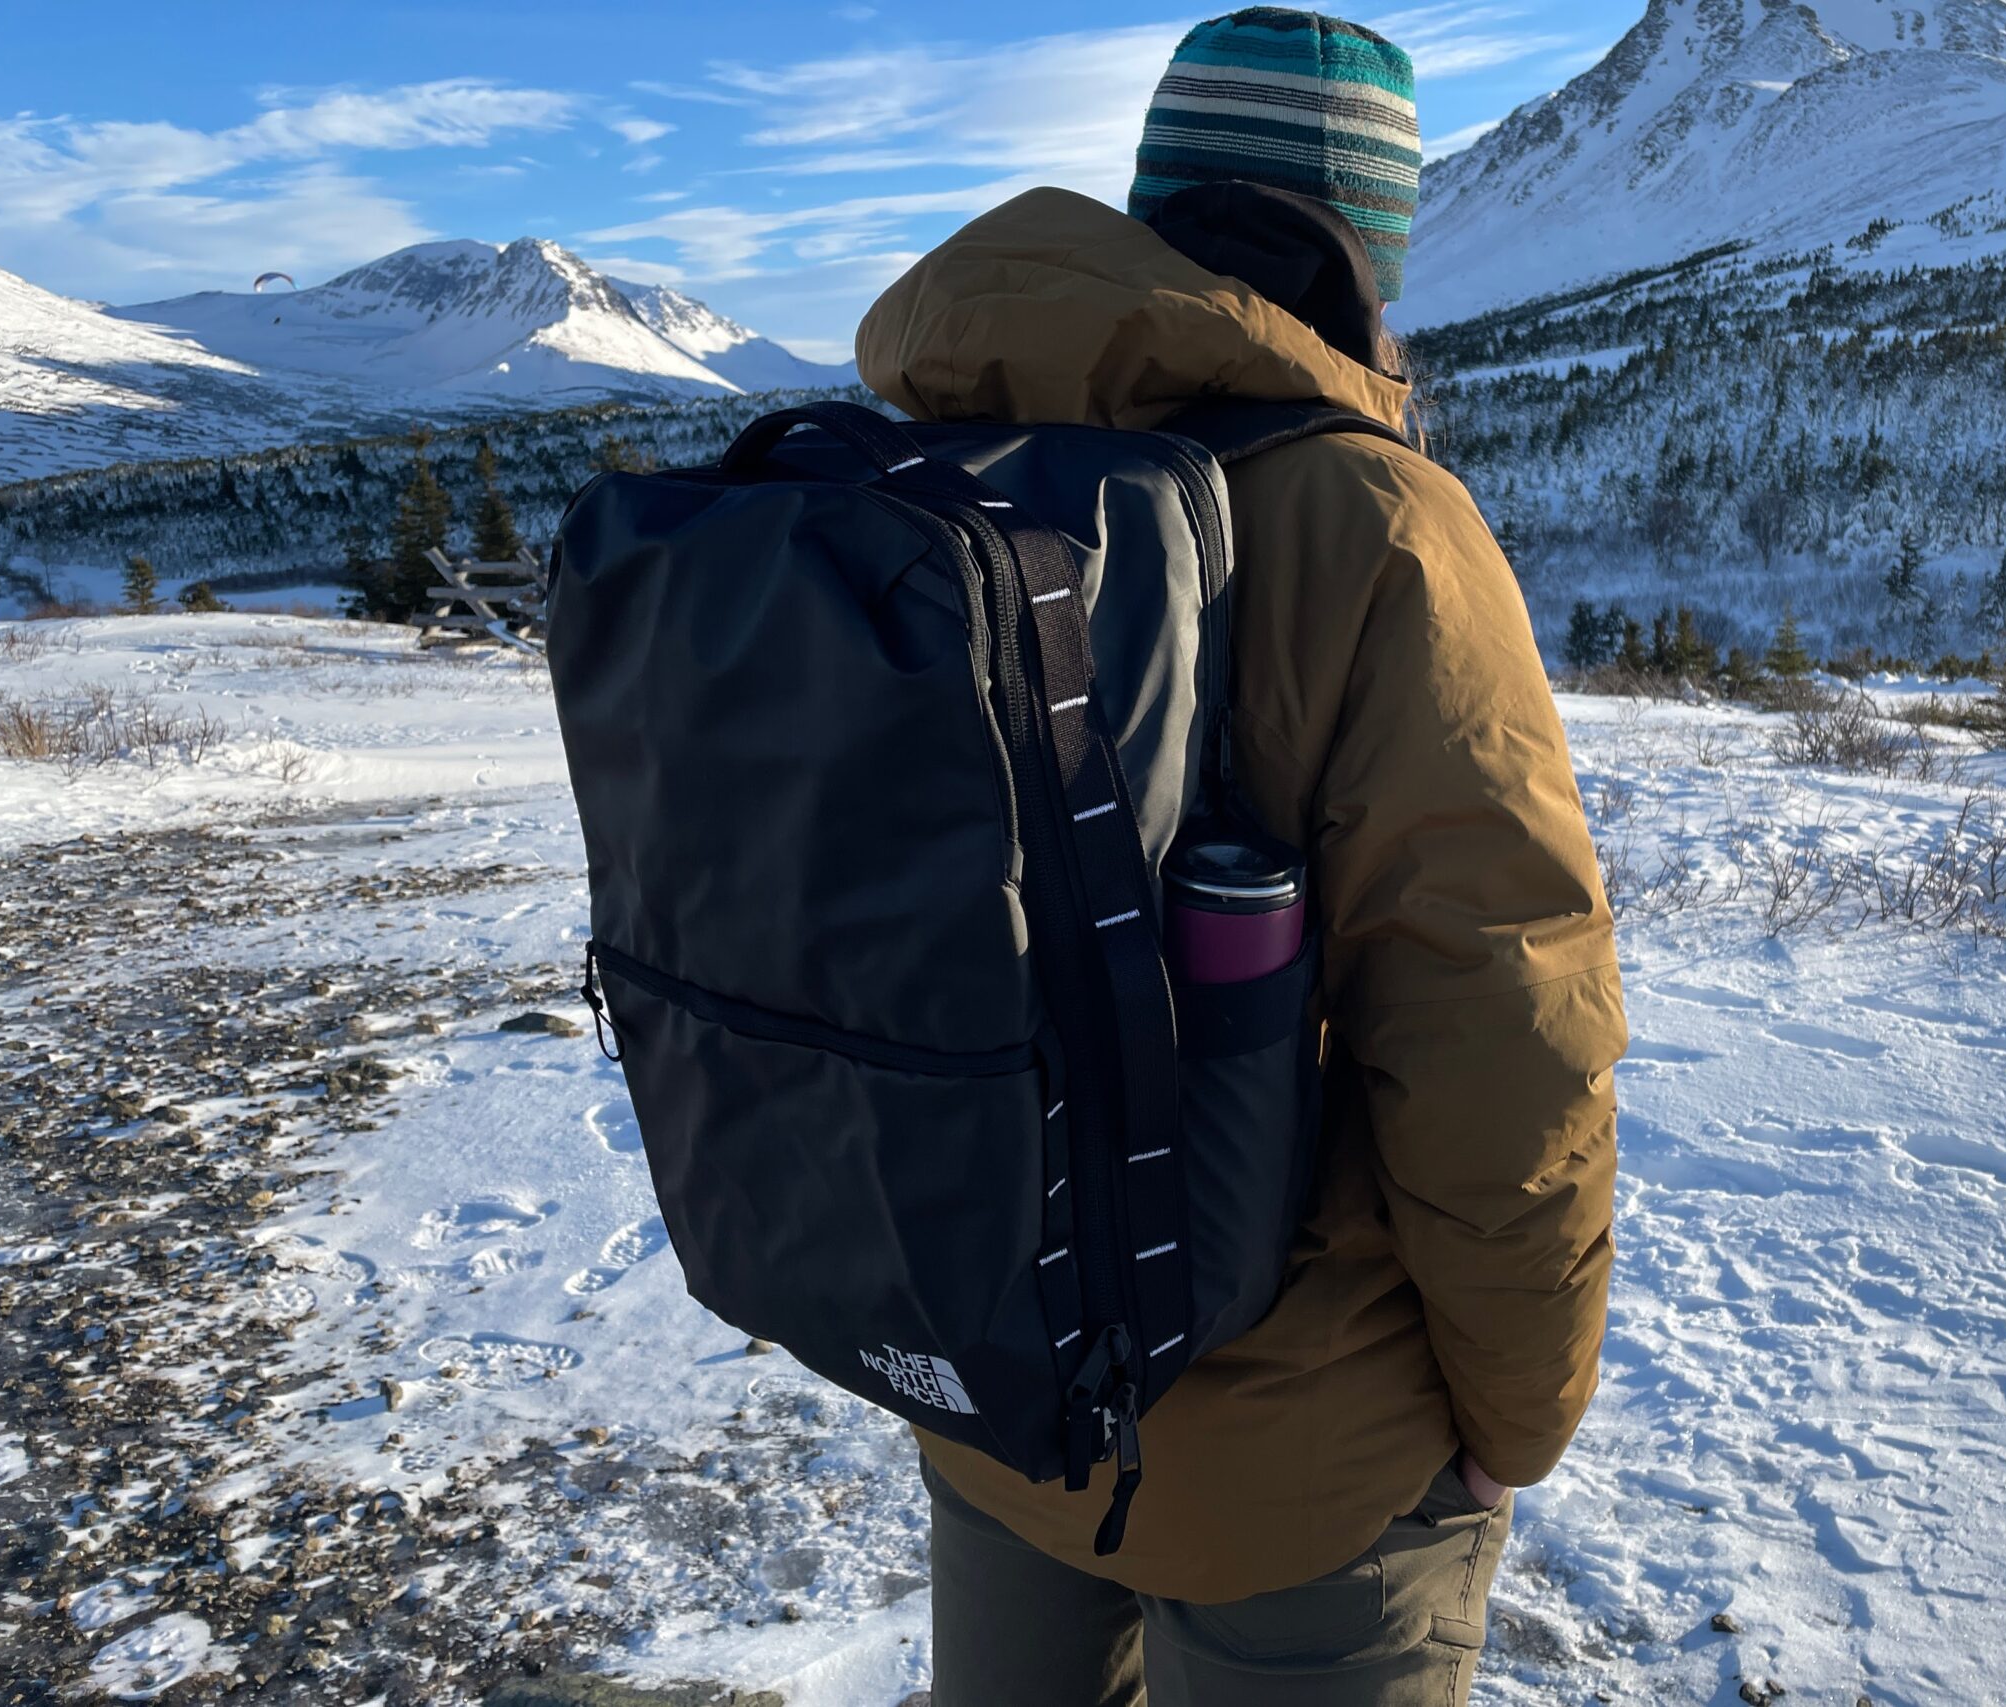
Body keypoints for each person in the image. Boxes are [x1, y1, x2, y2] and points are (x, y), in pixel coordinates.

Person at [852, 11, 1626, 1703]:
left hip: (996, 1392)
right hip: (1307, 1462)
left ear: (1154, 205)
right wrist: (1516, 1420)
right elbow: (1501, 1031)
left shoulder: (922, 472)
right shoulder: (1375, 523)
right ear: (1367, 251)